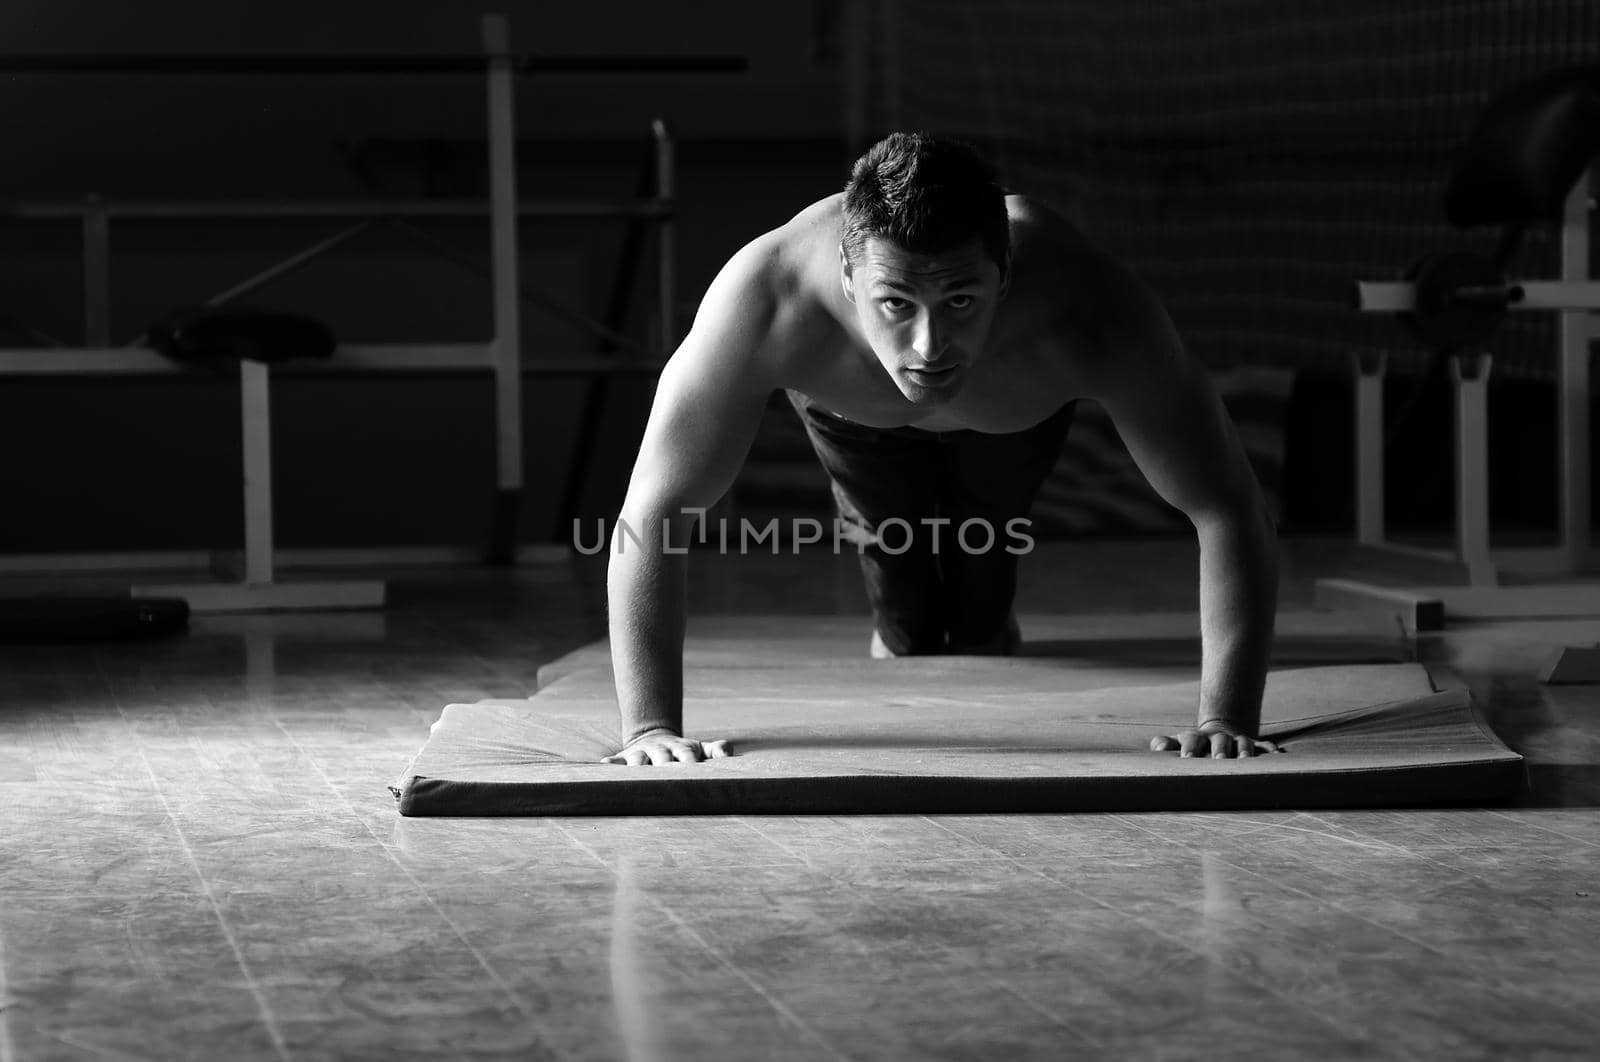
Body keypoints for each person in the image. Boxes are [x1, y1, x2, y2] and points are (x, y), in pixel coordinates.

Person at [601, 131, 1279, 766]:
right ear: (846, 276)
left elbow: (1228, 506)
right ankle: (917, 623)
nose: (929, 348)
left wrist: (1228, 717)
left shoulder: (1091, 307)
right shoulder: (766, 296)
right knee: (910, 632)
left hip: (1012, 423)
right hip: (854, 421)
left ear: (1004, 275)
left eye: (960, 300)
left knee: (981, 612)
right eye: (896, 303)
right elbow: (655, 508)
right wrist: (650, 727)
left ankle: (989, 622)